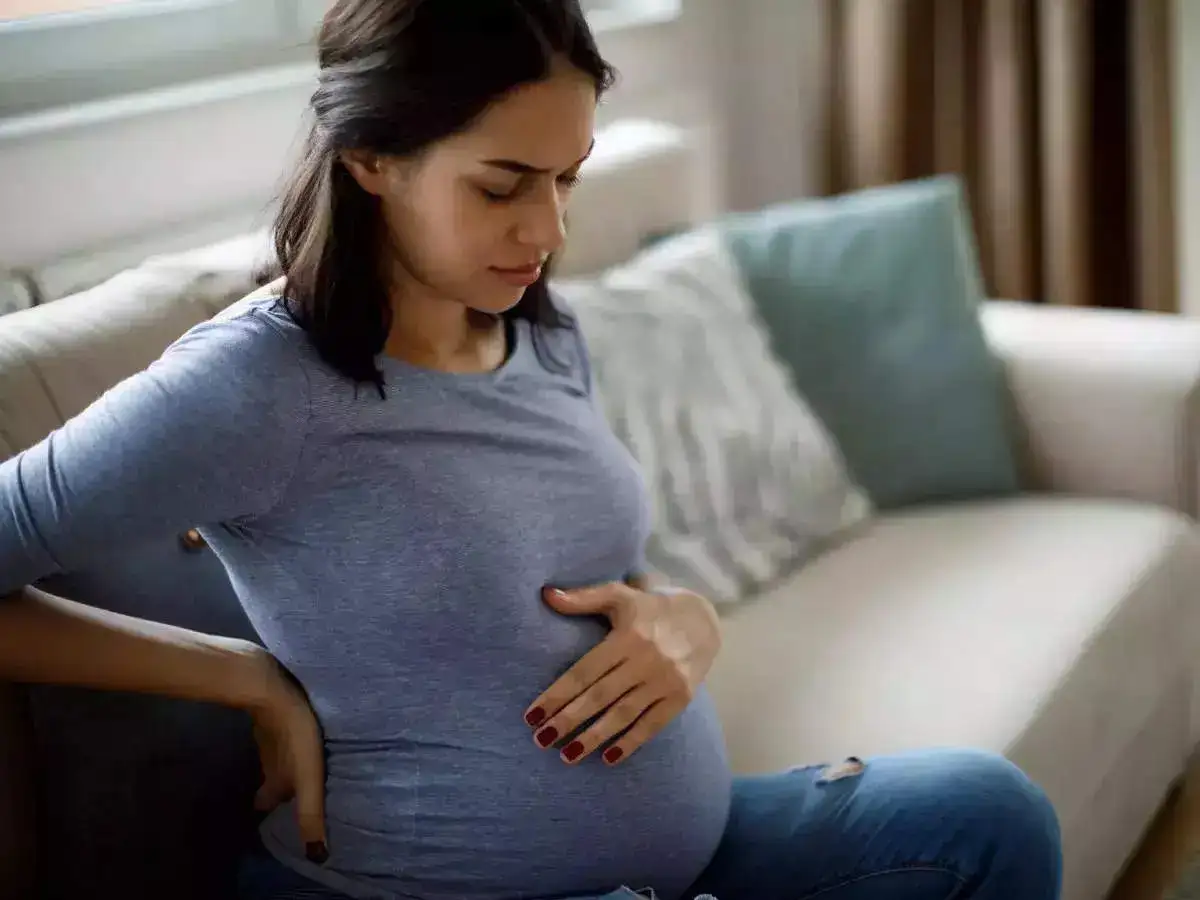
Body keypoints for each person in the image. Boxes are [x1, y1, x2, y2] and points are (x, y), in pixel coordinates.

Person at [0, 2, 1063, 899]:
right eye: (502, 186)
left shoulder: (540, 331)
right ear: (371, 157)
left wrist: (681, 622)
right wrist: (243, 677)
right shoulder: (255, 384)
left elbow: (597, 573)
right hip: (409, 879)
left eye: (569, 180)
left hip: (679, 849)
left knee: (987, 815)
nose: (548, 230)